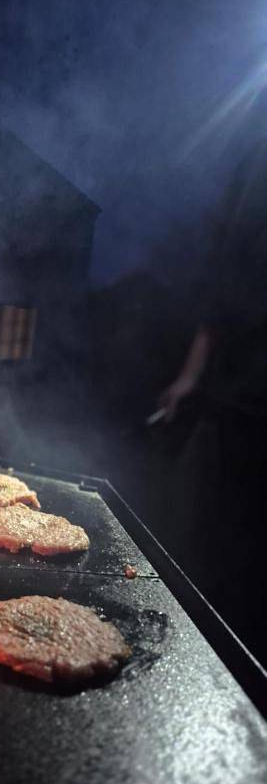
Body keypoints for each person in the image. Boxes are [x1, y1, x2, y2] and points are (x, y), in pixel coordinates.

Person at [158, 137, 267, 662]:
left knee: (243, 577)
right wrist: (190, 376)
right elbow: (221, 295)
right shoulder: (254, 170)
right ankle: (181, 650)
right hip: (230, 405)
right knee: (184, 543)